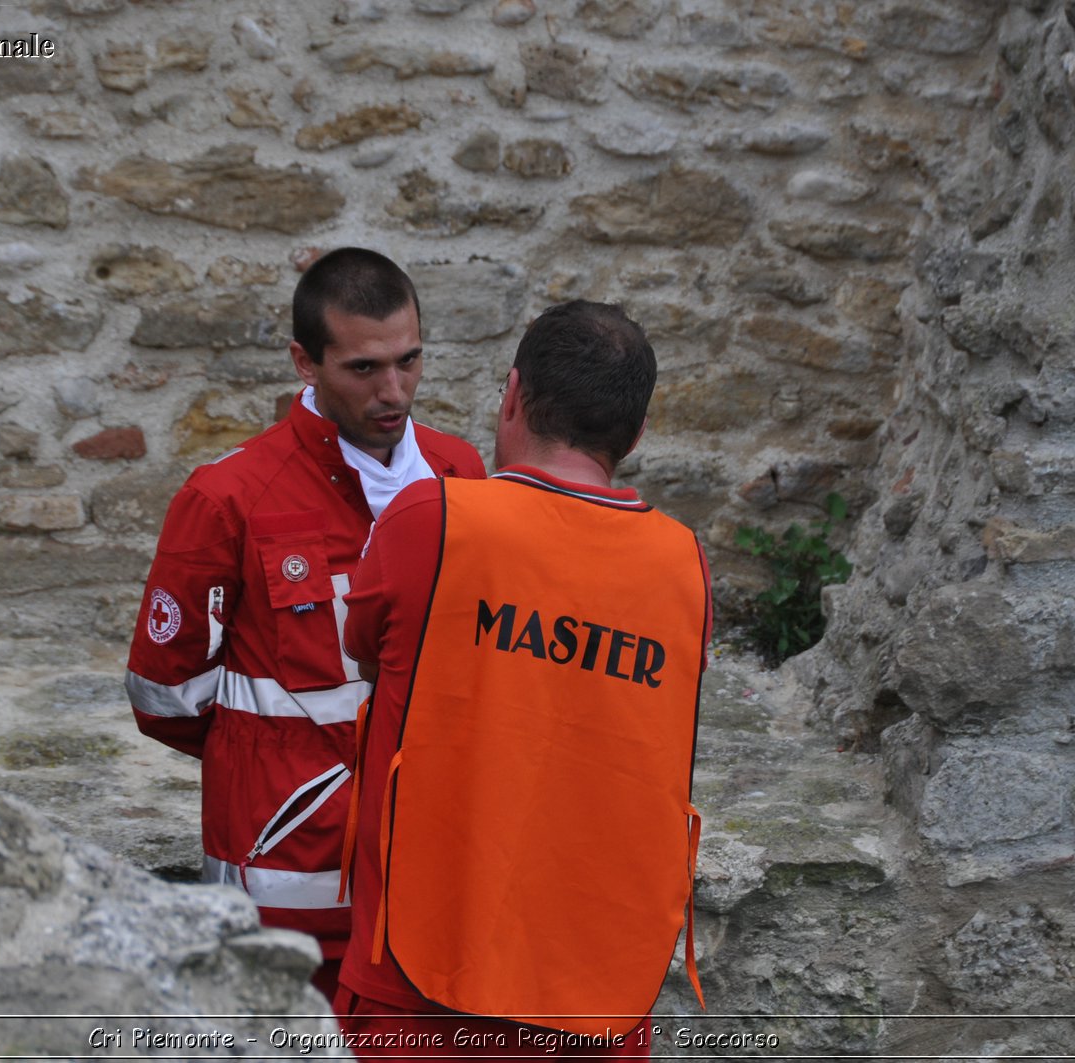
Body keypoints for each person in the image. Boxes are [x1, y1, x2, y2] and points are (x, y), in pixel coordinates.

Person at [336, 300, 713, 1059]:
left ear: (510, 396)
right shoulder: (686, 566)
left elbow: (364, 657)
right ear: (635, 435)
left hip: (421, 977)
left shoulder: (430, 519)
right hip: (597, 991)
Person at [125, 248, 485, 1001]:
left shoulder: (461, 476)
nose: (395, 390)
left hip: (423, 873)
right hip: (279, 876)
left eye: (410, 360)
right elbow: (166, 697)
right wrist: (280, 767)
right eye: (364, 369)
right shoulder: (227, 496)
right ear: (304, 360)